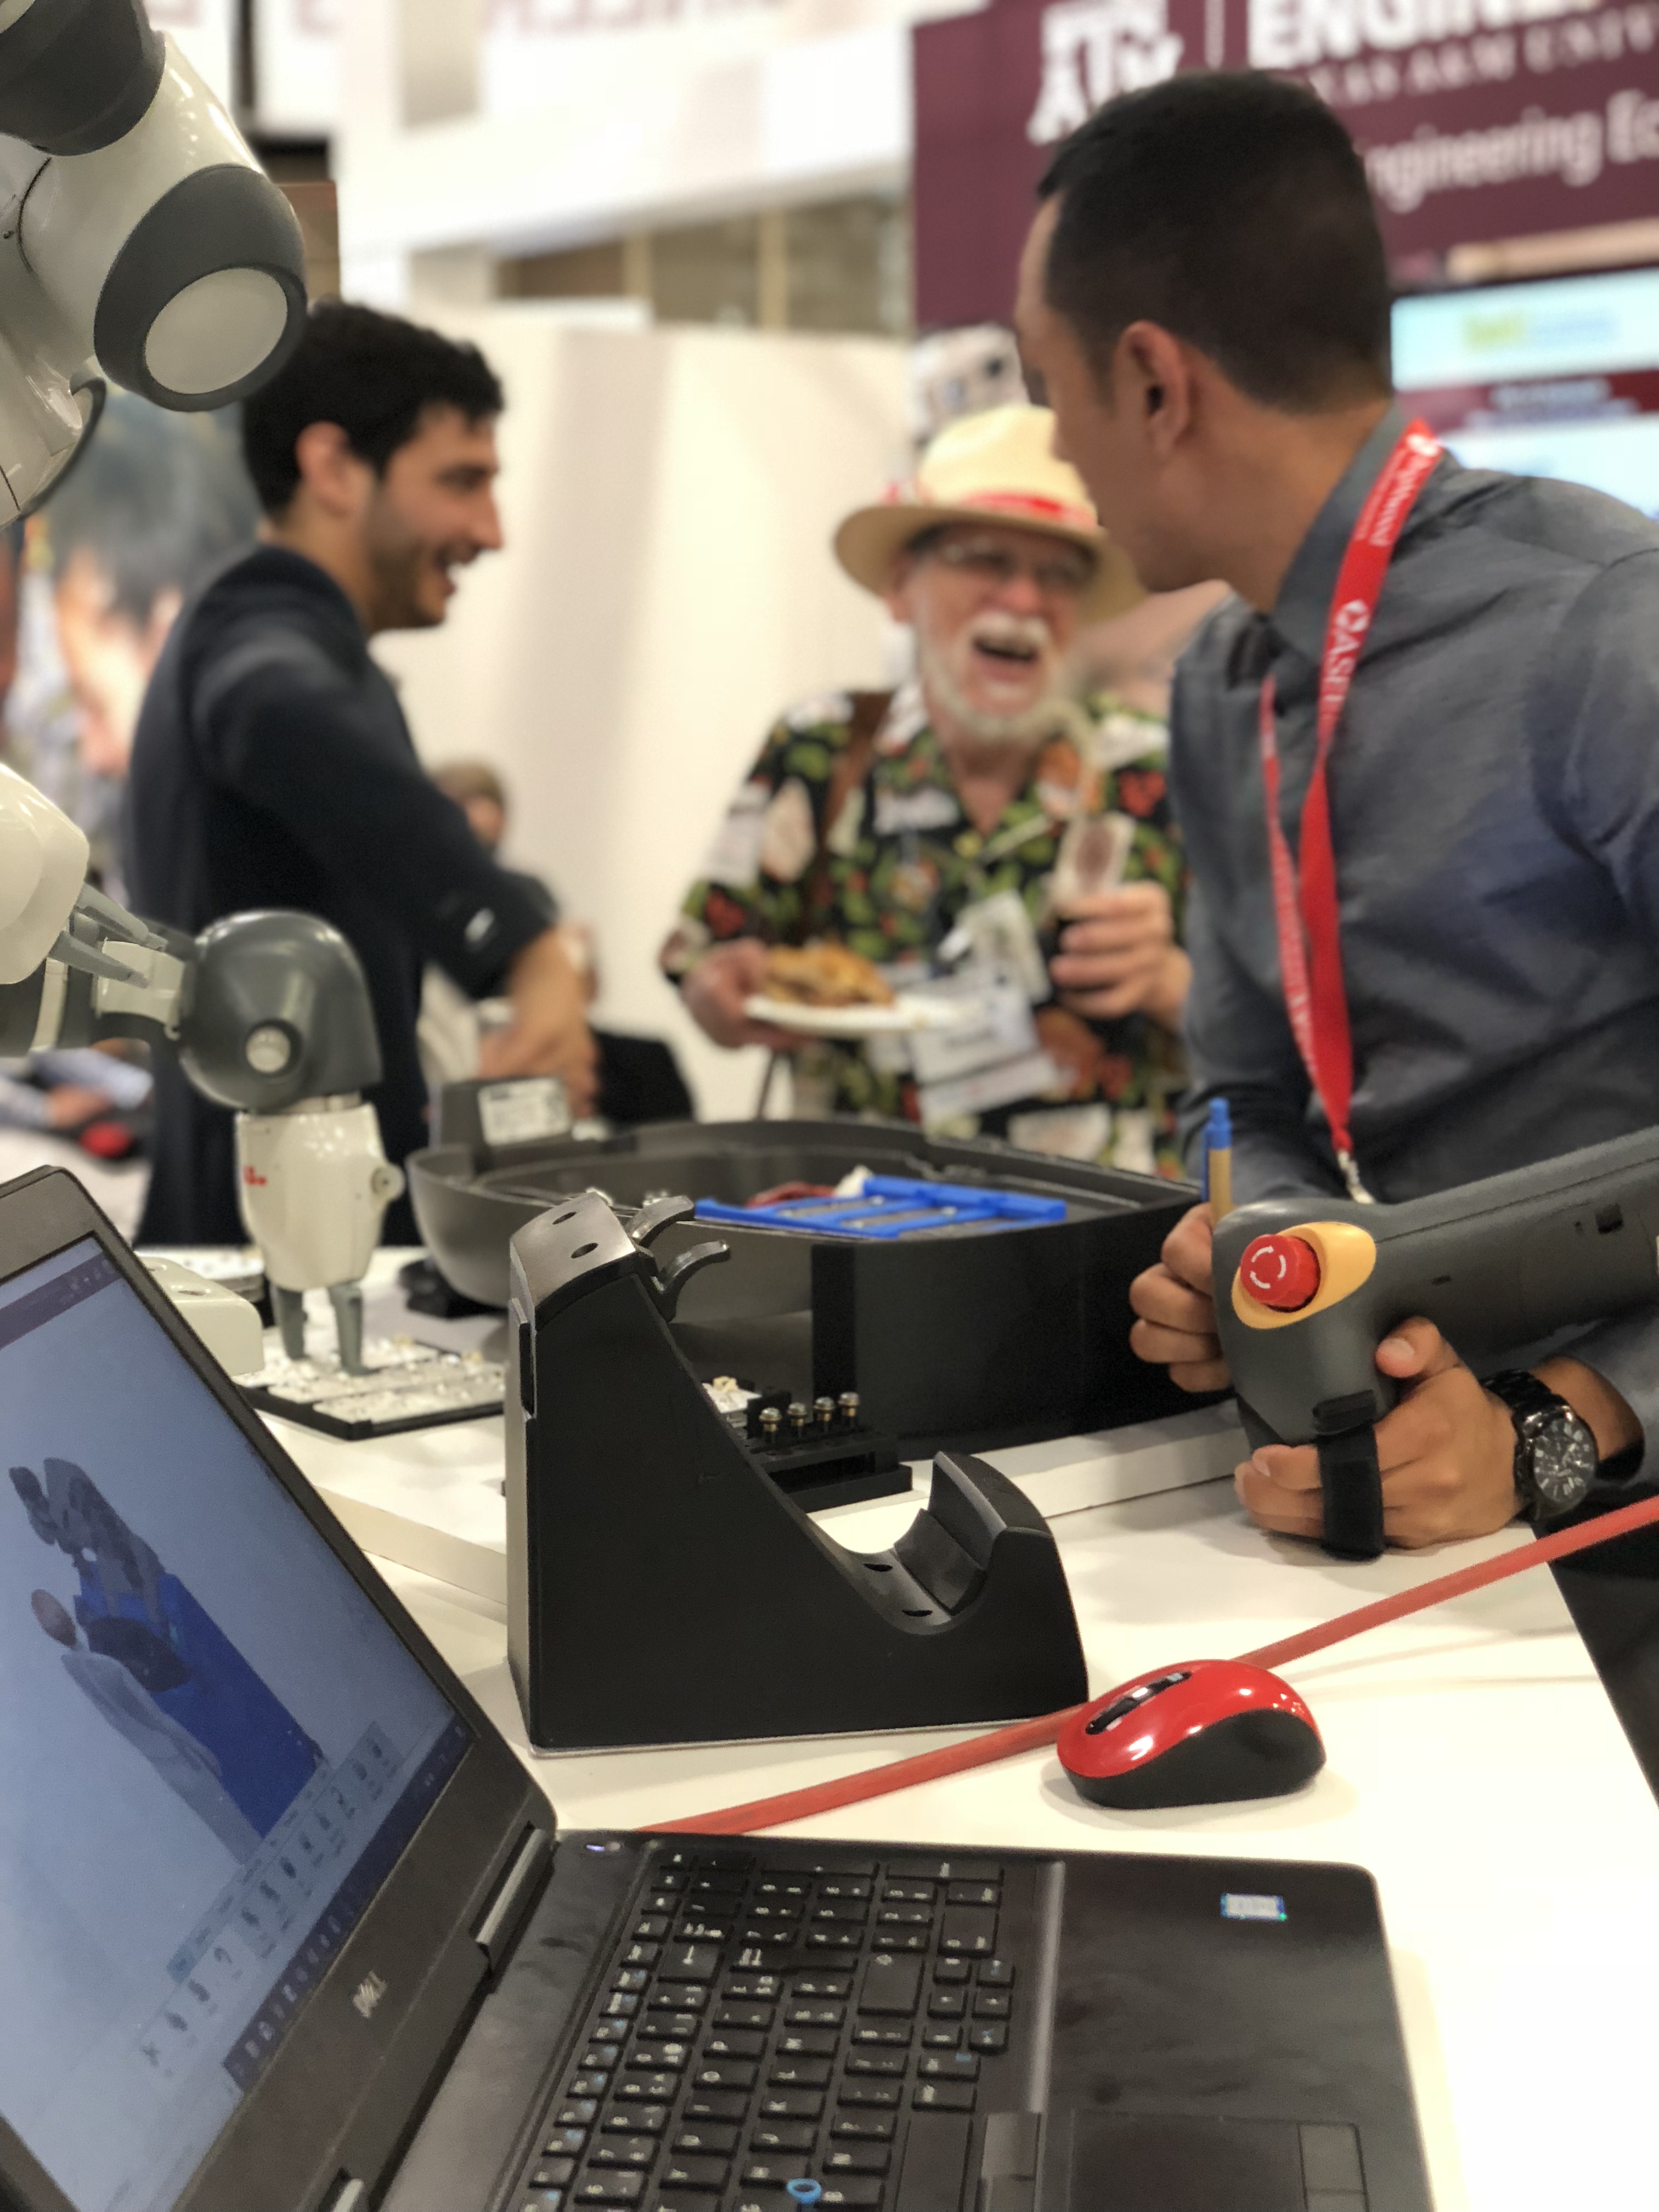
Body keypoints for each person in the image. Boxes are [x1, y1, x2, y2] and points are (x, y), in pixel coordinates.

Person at [1014, 73, 1656, 1547]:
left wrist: (1564, 1424)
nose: (1056, 452)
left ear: (1156, 384)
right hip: (1376, 1480)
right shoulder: (1219, 687)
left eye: (1051, 394)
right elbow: (1246, 1096)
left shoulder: (1600, 630)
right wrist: (1258, 1248)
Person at [126, 301, 596, 1244]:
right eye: (460, 481)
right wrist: (521, 944)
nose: (491, 530)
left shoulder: (280, 635)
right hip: (272, 1259)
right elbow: (276, 713)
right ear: (334, 467)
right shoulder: (262, 632)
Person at [661, 404, 1192, 1172]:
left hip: (1101, 1220)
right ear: (900, 587)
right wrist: (720, 997)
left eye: (1057, 574)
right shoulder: (824, 747)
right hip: (862, 1212)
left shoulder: (1153, 766)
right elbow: (700, 958)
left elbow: (1283, 1033)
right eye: (984, 561)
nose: (1023, 600)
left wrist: (1171, 981)